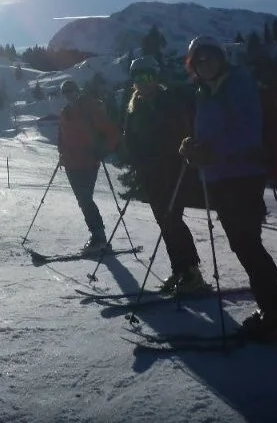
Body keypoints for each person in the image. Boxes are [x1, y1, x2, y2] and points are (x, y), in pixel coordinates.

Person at [179, 35, 277, 340]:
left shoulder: (238, 84)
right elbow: (214, 134)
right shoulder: (205, 92)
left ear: (222, 59)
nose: (205, 65)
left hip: (242, 176)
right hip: (222, 177)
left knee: (246, 243)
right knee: (244, 244)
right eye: (199, 61)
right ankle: (275, 310)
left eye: (210, 58)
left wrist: (209, 152)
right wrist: (194, 147)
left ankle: (276, 315)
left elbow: (248, 132)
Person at [122, 56, 207, 294]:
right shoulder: (134, 107)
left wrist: (170, 158)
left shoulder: (168, 102)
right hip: (151, 174)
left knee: (173, 221)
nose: (143, 82)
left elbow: (182, 134)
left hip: (173, 172)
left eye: (147, 76)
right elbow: (130, 139)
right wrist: (139, 162)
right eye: (138, 77)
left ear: (155, 78)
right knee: (164, 222)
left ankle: (191, 272)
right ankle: (180, 271)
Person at [57, 79, 120, 254]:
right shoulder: (65, 112)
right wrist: (61, 152)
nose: (69, 95)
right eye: (66, 92)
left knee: (85, 199)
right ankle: (97, 236)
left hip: (88, 162)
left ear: (78, 91)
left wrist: (103, 150)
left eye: (71, 91)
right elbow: (61, 136)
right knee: (83, 200)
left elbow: (112, 131)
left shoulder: (90, 109)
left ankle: (99, 237)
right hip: (71, 164)